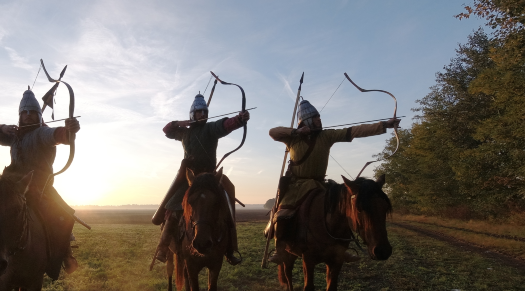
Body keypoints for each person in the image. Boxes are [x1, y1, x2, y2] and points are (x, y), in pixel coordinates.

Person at [0, 86, 80, 289]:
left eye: (32, 112)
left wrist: (69, 130)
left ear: (39, 114)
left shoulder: (42, 133)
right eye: (24, 112)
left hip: (40, 189)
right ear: (19, 116)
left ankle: (66, 257)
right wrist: (3, 128)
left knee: (65, 216)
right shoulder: (14, 135)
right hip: (11, 189)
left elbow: (58, 136)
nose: (27, 115)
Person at [266, 99, 399, 264]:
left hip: (319, 185)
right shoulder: (293, 139)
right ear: (306, 121)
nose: (319, 120)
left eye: (319, 117)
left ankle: (341, 250)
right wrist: (296, 132)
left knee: (340, 211)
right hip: (296, 185)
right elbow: (273, 132)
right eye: (316, 118)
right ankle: (281, 250)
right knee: (282, 214)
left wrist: (384, 125)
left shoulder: (326, 136)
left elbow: (354, 131)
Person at [153, 93, 250, 265]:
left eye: (204, 112)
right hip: (189, 178)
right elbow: (167, 131)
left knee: (226, 208)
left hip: (209, 178)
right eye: (198, 112)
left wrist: (239, 119)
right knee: (172, 206)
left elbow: (225, 125)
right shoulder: (184, 133)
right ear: (192, 114)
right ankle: (163, 246)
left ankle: (229, 249)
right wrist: (180, 123)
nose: (202, 115)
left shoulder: (211, 128)